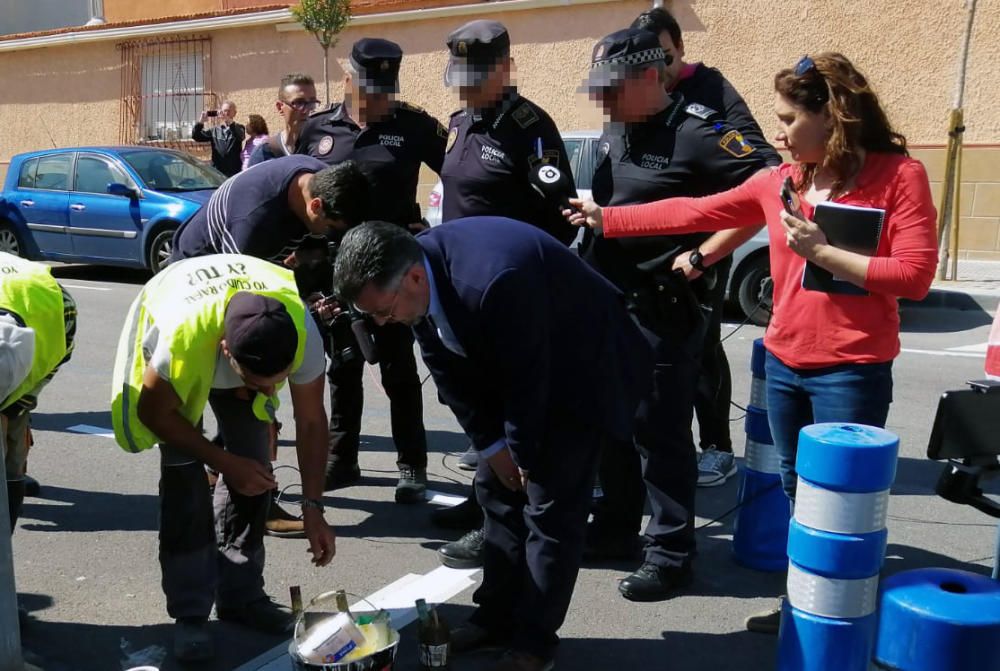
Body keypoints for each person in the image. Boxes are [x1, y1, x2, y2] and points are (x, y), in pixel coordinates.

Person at [567, 52, 937, 628]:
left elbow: (914, 277)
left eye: (790, 120)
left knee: (845, 502)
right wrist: (607, 219)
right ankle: (804, 606)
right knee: (798, 495)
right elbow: (695, 208)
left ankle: (847, 615)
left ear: (833, 115)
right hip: (785, 360)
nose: (780, 135)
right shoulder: (786, 181)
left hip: (852, 367)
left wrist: (826, 253)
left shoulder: (898, 176)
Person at [332, 220, 651, 671]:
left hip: (581, 370)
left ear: (414, 278)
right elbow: (446, 369)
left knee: (549, 510)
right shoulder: (416, 282)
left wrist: (518, 453)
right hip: (519, 367)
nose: (384, 324)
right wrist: (490, 445)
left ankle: (535, 643)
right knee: (496, 495)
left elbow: (529, 379)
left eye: (385, 311)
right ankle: (496, 618)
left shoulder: (493, 279)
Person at [576, 28, 768, 602]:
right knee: (613, 424)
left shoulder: (701, 131)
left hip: (665, 306)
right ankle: (615, 530)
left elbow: (770, 192)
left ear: (647, 77)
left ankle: (671, 552)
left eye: (611, 89)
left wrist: (704, 255)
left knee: (659, 436)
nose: (601, 101)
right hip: (609, 300)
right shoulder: (619, 128)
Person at [111, 255, 336, 662]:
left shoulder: (302, 329)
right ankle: (190, 613)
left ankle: (241, 596)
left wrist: (314, 508)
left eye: (279, 381)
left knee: (255, 469)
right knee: (185, 482)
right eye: (255, 383)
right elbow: (153, 413)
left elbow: (311, 421)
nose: (270, 393)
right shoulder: (180, 339)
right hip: (181, 339)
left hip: (232, 334)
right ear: (226, 351)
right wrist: (222, 461)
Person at [432, 19, 579, 563]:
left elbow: (559, 220)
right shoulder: (459, 123)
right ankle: (484, 503)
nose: (463, 87)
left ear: (502, 69)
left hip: (507, 294)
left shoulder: (529, 128)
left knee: (510, 412)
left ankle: (503, 524)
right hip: (459, 289)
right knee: (477, 405)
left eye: (474, 75)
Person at [170, 156, 368, 537]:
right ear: (315, 206)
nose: (328, 237)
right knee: (241, 402)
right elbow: (236, 306)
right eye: (328, 228)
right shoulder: (254, 220)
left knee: (256, 411)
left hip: (256, 278)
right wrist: (258, 380)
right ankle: (208, 502)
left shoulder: (320, 178)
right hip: (200, 284)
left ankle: (235, 482)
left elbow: (312, 420)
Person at [633, 7, 783, 487]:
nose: (658, 71)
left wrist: (706, 251)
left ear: (681, 49)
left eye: (665, 58)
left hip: (700, 244)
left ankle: (715, 445)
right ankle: (646, 445)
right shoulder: (634, 94)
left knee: (699, 344)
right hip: (645, 244)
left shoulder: (711, 92)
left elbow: (765, 168)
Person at [296, 37, 448, 503]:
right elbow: (302, 195)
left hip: (391, 271)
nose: (378, 98)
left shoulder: (415, 126)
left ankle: (411, 465)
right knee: (342, 367)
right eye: (369, 87)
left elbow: (459, 176)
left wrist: (437, 234)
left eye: (385, 89)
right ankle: (343, 459)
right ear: (347, 79)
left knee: (400, 369)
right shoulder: (319, 129)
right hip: (333, 269)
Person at [0, 252, 75, 670]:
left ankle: (3, 587)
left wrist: (19, 404)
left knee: (11, 471)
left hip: (18, 371)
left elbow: (57, 357)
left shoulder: (55, 310)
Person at [247, 73, 321, 167]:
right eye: (298, 103)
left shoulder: (323, 148)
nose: (306, 110)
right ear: (280, 107)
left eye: (312, 102)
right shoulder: (264, 153)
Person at [192, 100, 246, 177]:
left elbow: (240, 136)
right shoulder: (215, 130)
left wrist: (229, 121)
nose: (226, 113)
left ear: (235, 113)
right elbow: (196, 136)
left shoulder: (239, 128)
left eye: (229, 111)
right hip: (217, 172)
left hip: (234, 172)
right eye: (224, 111)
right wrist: (200, 122)